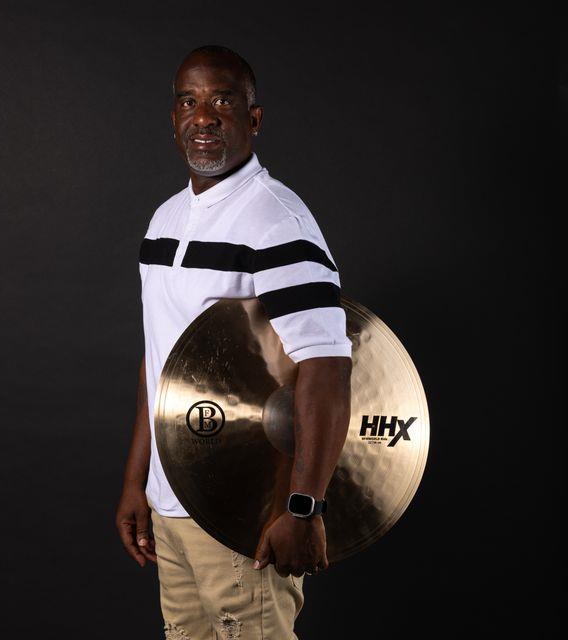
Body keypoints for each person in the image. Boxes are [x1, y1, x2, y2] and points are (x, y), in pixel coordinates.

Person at [116, 45, 352, 640]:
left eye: (222, 101)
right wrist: (137, 482)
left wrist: (304, 507)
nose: (203, 117)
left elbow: (326, 368)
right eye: (188, 102)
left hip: (245, 511)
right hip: (171, 508)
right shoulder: (165, 220)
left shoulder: (275, 221)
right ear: (173, 117)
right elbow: (161, 362)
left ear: (254, 117)